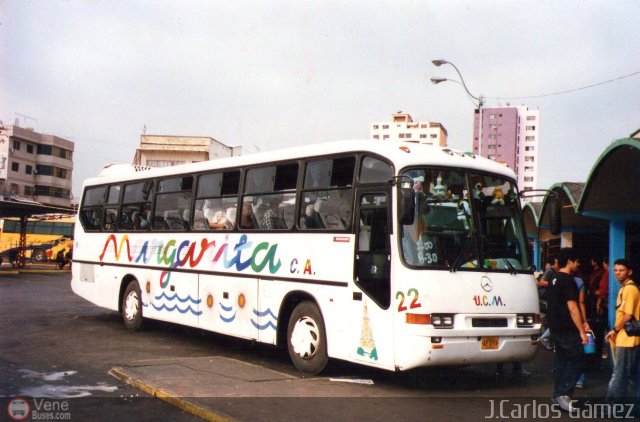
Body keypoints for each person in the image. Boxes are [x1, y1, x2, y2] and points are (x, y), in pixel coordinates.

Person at [546, 247, 588, 413]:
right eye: (576, 261)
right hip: (567, 328)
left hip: (556, 327)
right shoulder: (569, 280)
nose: (578, 264)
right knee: (577, 359)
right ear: (569, 261)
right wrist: (581, 331)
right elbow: (573, 308)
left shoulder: (554, 279)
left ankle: (557, 394)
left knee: (562, 360)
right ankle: (564, 393)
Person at [605, 259, 640, 402]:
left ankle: (611, 407)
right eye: (615, 270)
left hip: (628, 339)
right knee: (634, 375)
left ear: (629, 272)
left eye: (621, 270)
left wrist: (614, 329)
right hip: (628, 338)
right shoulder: (624, 288)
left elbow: (627, 315)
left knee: (619, 375)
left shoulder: (630, 289)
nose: (617, 273)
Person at [538, 256, 559, 349]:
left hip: (551, 298)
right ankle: (545, 339)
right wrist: (552, 284)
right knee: (550, 319)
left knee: (547, 320)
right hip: (547, 299)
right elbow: (541, 282)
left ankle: (547, 341)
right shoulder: (550, 271)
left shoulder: (558, 271)